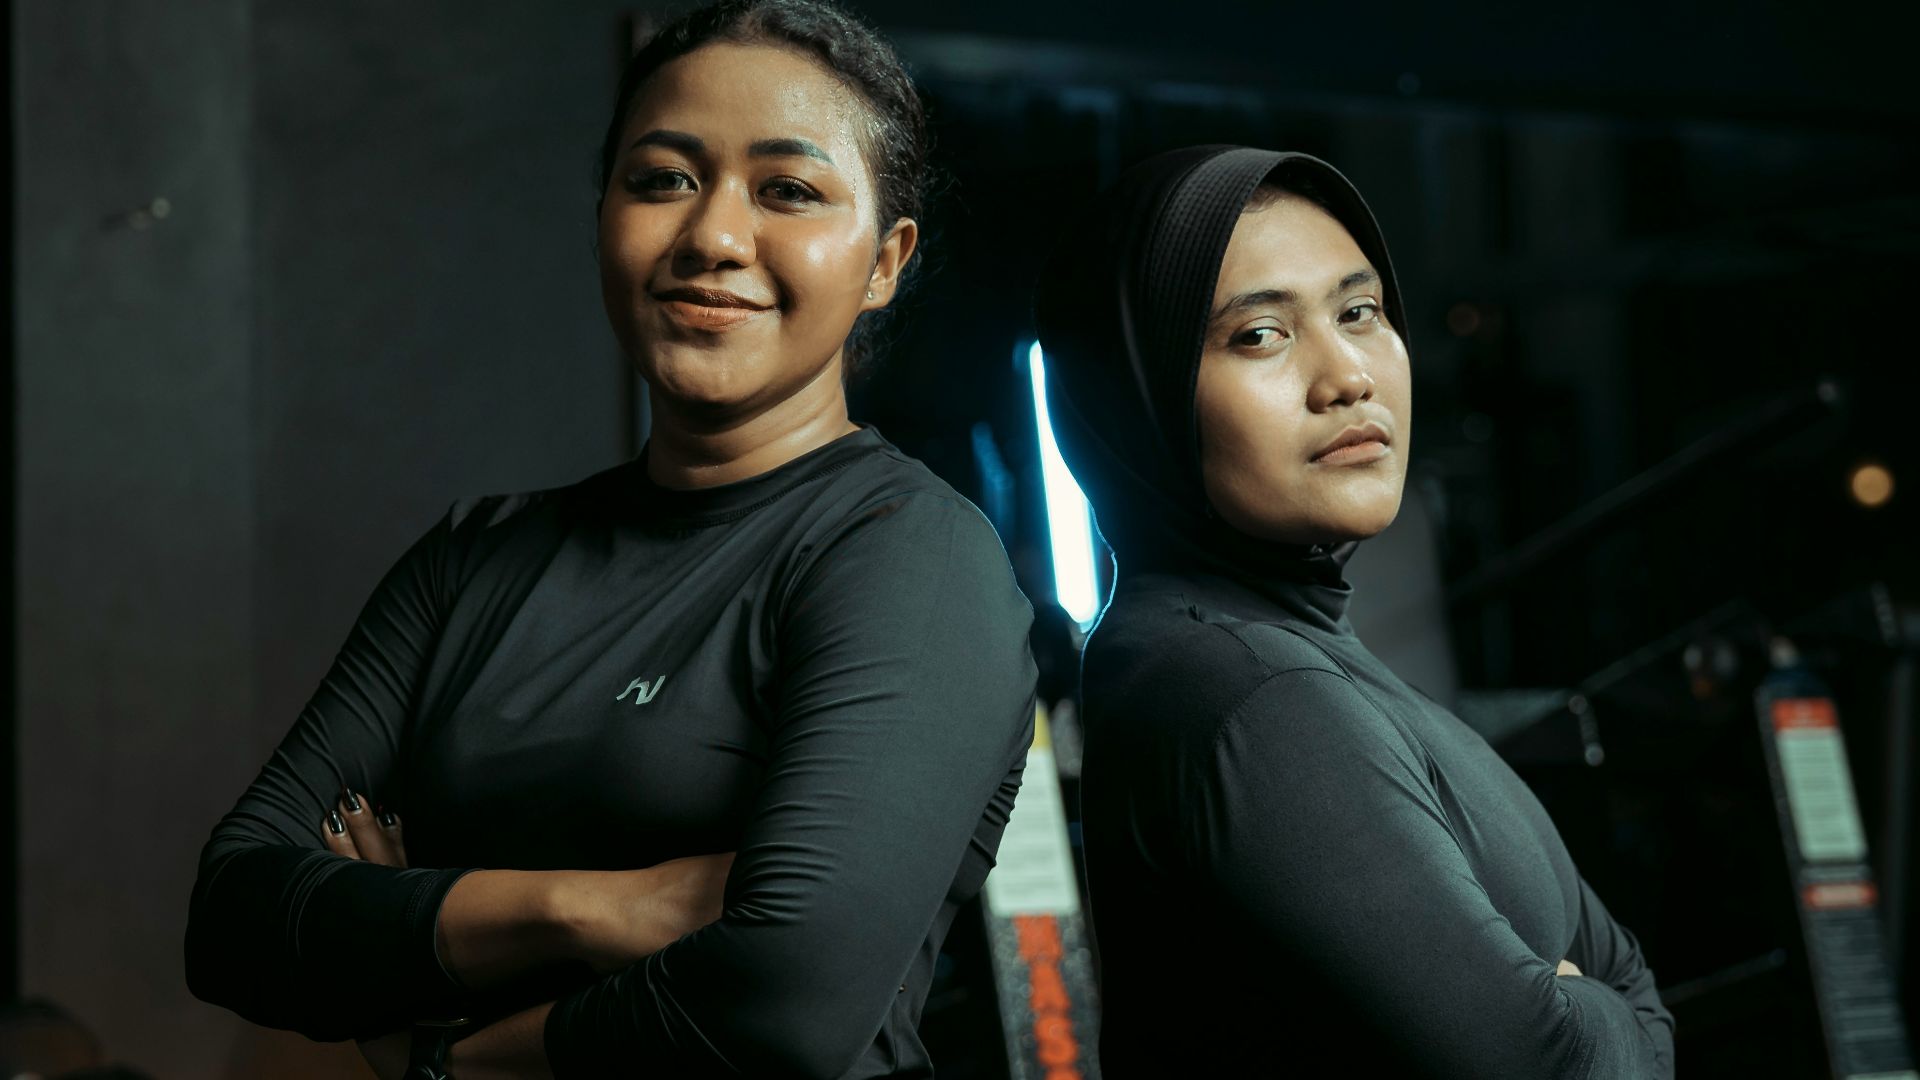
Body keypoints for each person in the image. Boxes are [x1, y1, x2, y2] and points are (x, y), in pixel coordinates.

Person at [184, 3, 1038, 1077]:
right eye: (663, 179)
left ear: (884, 262)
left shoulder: (906, 557)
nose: (713, 237)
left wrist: (439, 1043)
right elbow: (230, 920)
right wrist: (590, 910)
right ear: (604, 218)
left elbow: (787, 996)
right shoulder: (474, 561)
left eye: (789, 190)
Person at [1033, 145, 1675, 1078]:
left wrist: (1596, 1007)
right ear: (1137, 397)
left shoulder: (1278, 653)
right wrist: (1594, 1009)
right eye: (1259, 335)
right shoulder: (1251, 694)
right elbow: (1559, 1063)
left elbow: (1638, 996)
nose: (1348, 377)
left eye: (1359, 312)